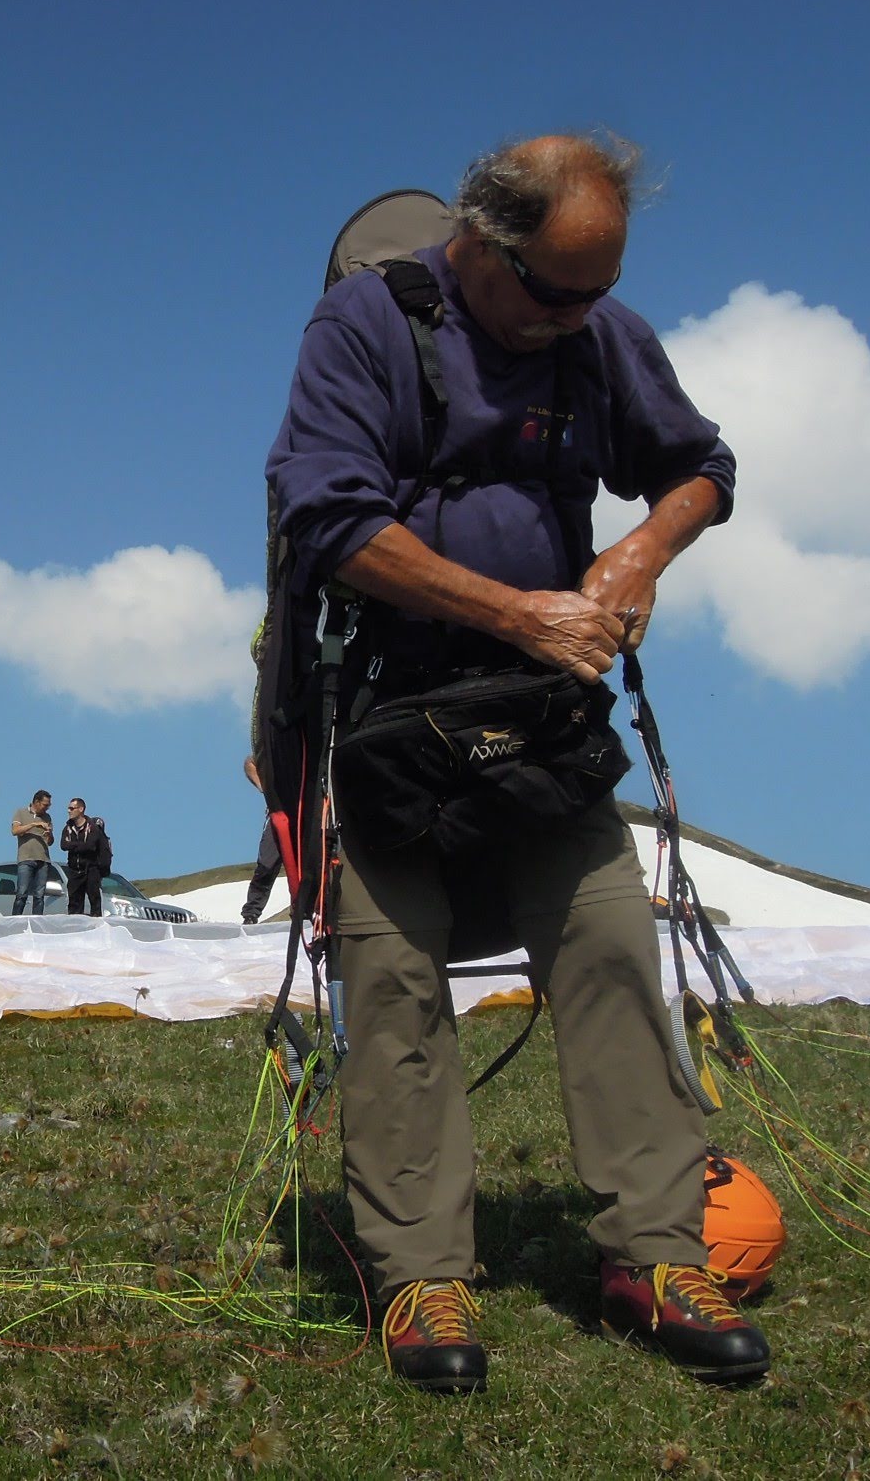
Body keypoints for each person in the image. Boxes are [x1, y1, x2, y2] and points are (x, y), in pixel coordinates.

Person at [266, 134, 768, 1392]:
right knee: (388, 984)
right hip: (389, 719)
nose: (576, 319)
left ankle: (652, 1253)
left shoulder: (593, 332)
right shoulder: (363, 328)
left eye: (594, 292)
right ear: (481, 249)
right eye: (552, 291)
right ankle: (420, 1276)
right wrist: (523, 612)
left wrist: (636, 556)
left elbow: (696, 469)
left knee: (607, 947)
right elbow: (324, 516)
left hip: (540, 724)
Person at [240, 757, 284, 924]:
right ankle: (251, 914)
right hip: (278, 815)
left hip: (306, 815)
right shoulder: (276, 749)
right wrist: (266, 790)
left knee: (307, 867)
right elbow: (250, 763)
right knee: (266, 867)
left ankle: (306, 912)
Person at [58, 798, 109, 916]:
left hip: (91, 869)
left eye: (71, 808)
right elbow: (63, 845)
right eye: (68, 808)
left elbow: (90, 846)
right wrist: (80, 845)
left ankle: (97, 928)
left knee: (94, 900)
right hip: (74, 870)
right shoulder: (68, 828)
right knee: (74, 904)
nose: (68, 811)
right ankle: (75, 929)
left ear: (81, 809)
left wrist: (73, 845)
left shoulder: (92, 827)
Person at [8, 791, 53, 916]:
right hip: (26, 859)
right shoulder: (21, 813)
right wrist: (33, 824)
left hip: (43, 859)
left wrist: (49, 835)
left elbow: (50, 842)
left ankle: (37, 922)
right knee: (22, 893)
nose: (47, 808)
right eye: (45, 804)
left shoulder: (47, 817)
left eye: (48, 805)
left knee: (39, 895)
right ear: (37, 802)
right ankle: (15, 920)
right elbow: (15, 830)